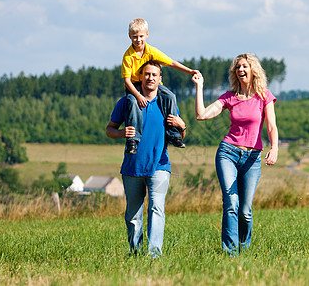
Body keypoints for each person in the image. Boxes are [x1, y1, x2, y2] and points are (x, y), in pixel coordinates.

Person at [192, 53, 279, 256]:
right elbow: (201, 115)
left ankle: (244, 249)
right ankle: (230, 253)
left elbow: (272, 126)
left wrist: (274, 148)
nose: (240, 70)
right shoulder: (229, 97)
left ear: (253, 70)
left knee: (245, 211)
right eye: (237, 67)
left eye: (245, 67)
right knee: (231, 203)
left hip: (252, 158)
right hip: (228, 153)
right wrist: (199, 87)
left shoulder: (264, 96)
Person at [106, 60, 187, 258]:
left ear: (160, 79)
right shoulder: (126, 103)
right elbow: (109, 130)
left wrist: (182, 126)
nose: (150, 78)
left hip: (160, 165)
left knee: (156, 209)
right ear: (140, 77)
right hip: (132, 167)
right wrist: (121, 133)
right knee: (133, 215)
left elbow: (178, 136)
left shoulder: (166, 102)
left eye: (154, 75)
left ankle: (153, 255)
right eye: (147, 74)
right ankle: (135, 253)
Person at [122, 18, 198, 154]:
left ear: (147, 35)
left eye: (141, 36)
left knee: (171, 96)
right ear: (129, 36)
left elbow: (171, 63)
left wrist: (190, 71)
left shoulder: (151, 51)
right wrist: (138, 96)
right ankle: (133, 140)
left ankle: (173, 134)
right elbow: (127, 80)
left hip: (151, 82)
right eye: (134, 37)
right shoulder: (128, 56)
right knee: (132, 103)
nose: (138, 40)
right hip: (134, 85)